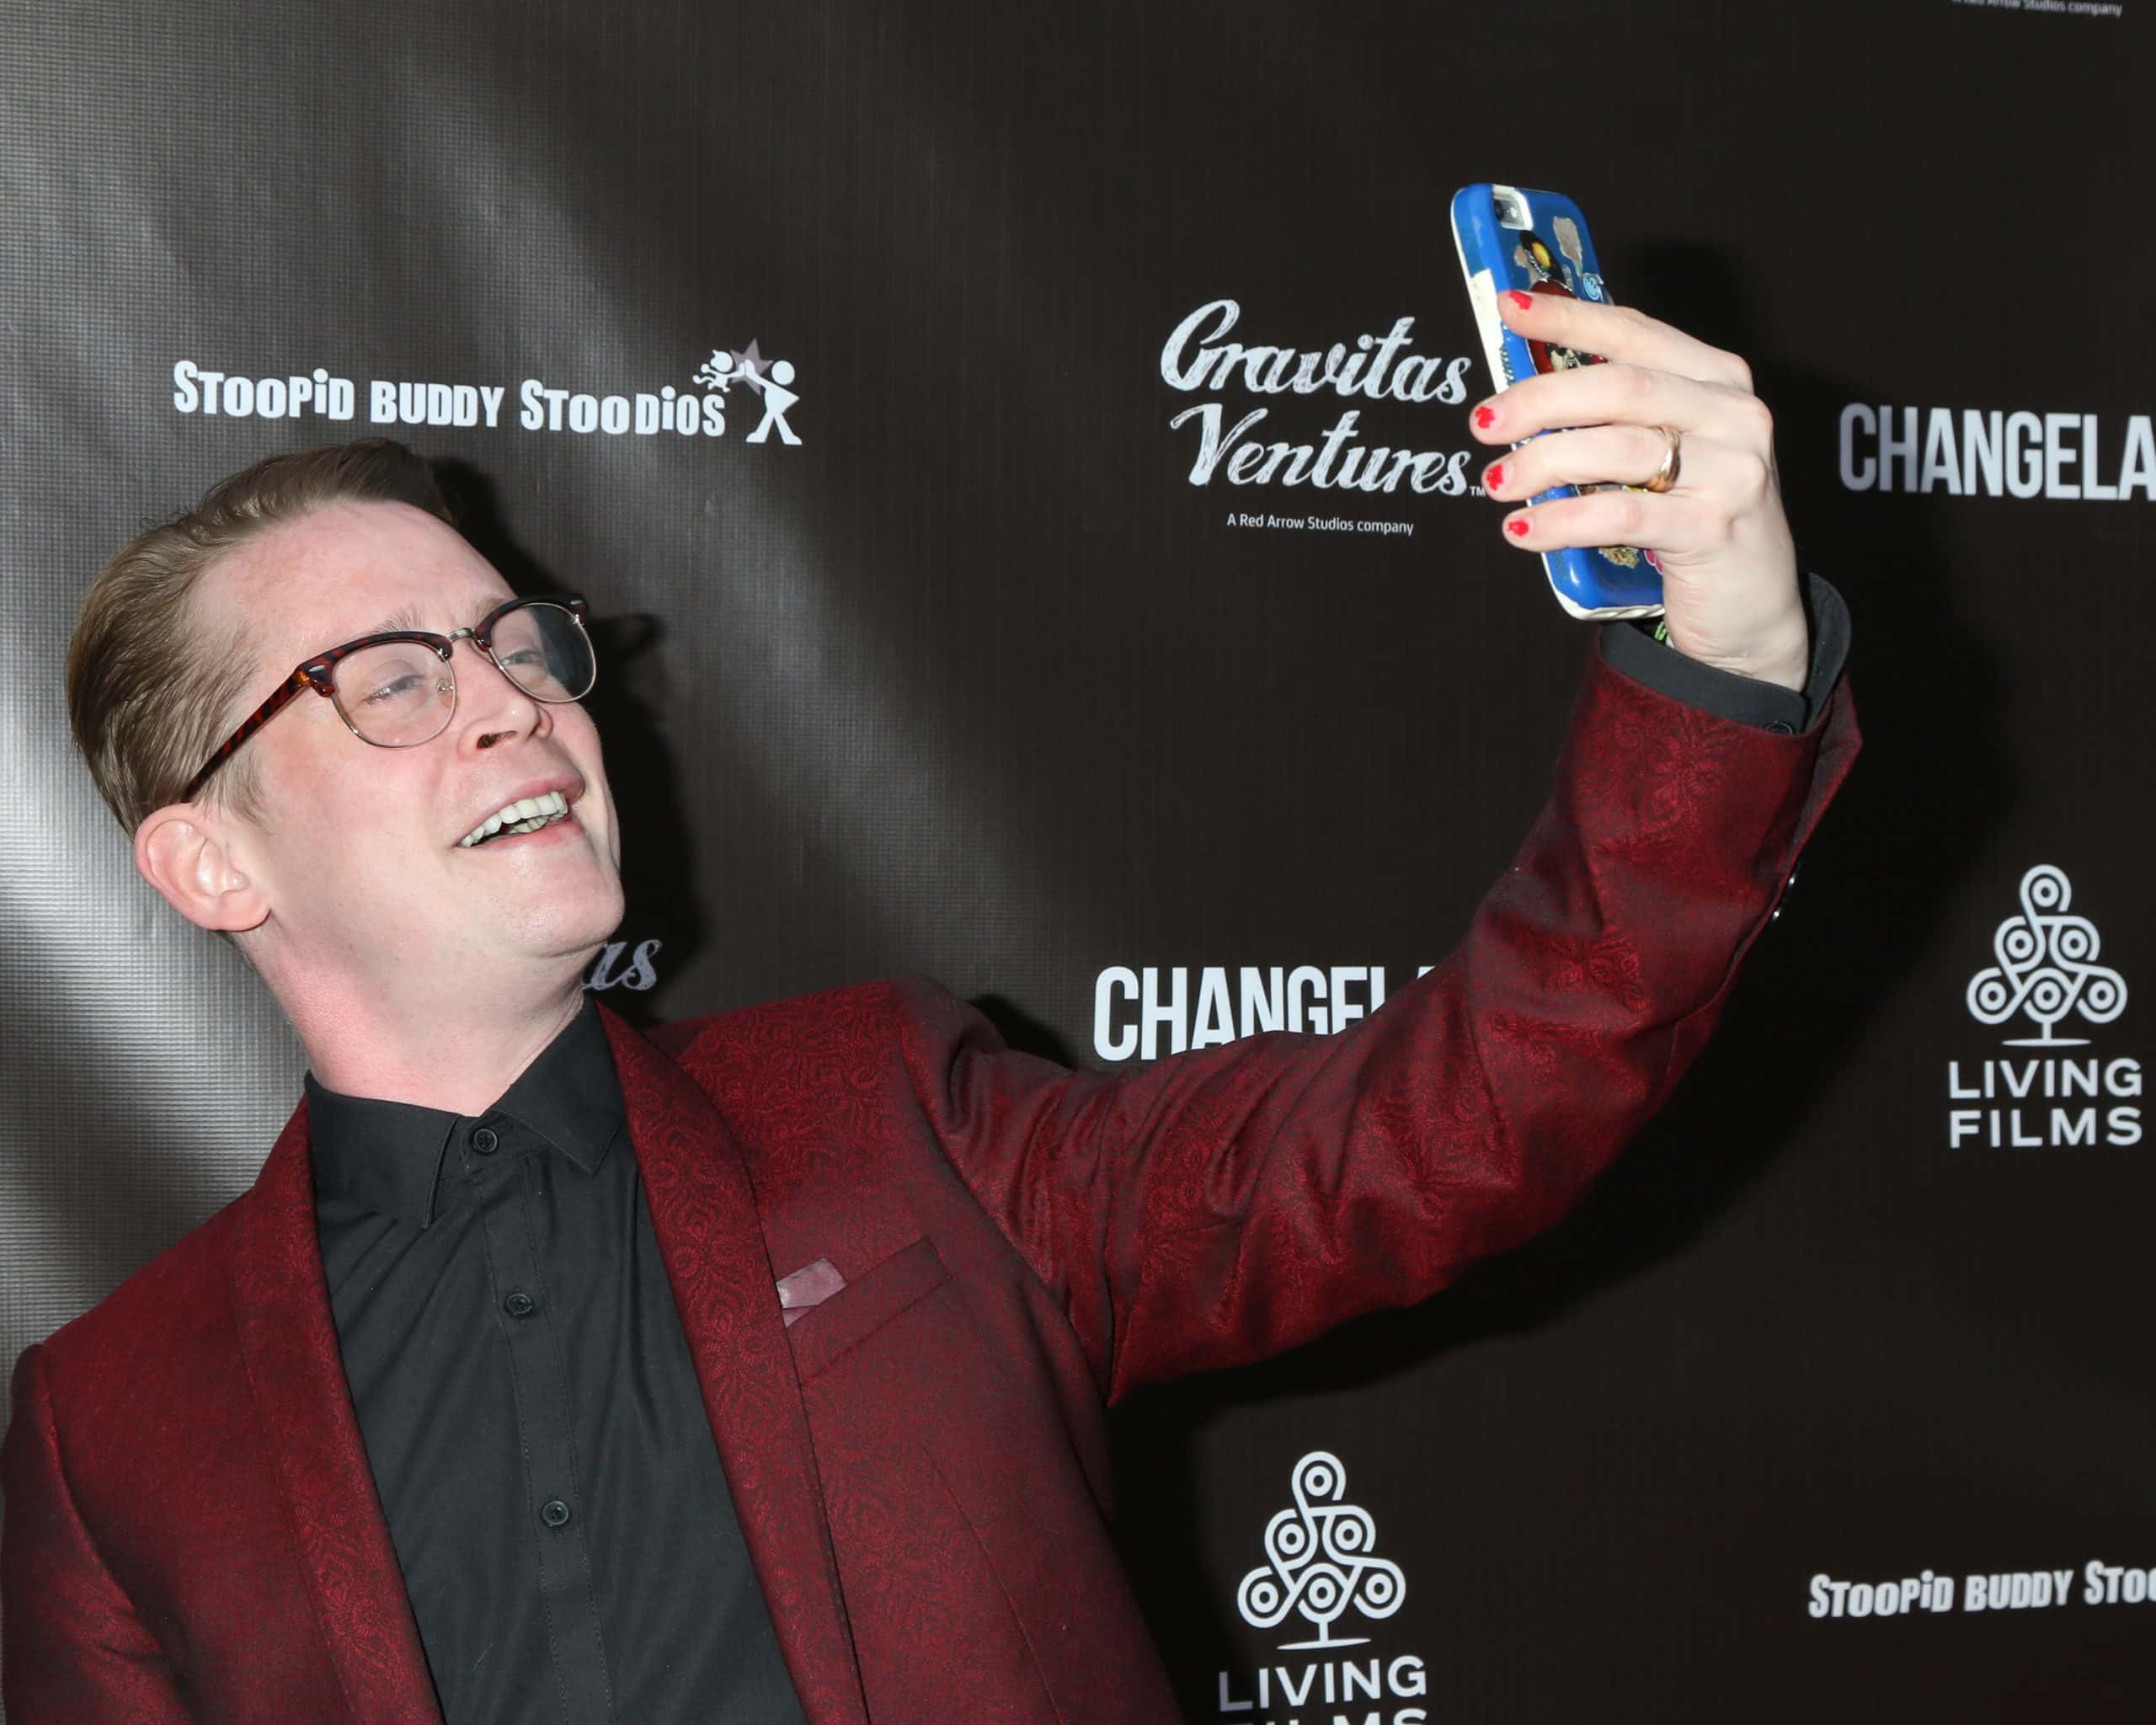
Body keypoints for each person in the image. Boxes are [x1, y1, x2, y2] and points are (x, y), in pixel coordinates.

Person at [3, 289, 1855, 1723]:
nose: (510, 702)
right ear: (209, 863)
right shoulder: (109, 1430)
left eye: (515, 646)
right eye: (392, 680)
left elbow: (1454, 1122)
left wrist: (1724, 652)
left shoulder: (894, 1108)